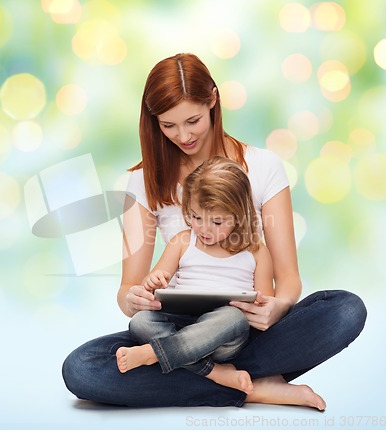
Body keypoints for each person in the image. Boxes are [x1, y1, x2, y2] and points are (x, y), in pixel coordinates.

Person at [62, 53, 367, 410]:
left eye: (192, 120)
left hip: (242, 327)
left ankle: (207, 374)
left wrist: (277, 306)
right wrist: (134, 298)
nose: (184, 135)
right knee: (81, 369)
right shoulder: (142, 181)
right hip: (172, 326)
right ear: (153, 122)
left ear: (213, 101)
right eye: (168, 125)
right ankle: (247, 384)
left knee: (345, 309)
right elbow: (128, 291)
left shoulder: (263, 166)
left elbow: (287, 278)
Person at [116, 156, 274, 396]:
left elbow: (266, 307)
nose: (204, 229)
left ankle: (152, 354)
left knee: (233, 318)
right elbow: (154, 283)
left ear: (239, 215)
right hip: (182, 326)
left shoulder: (257, 251)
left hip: (224, 338)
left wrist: (258, 305)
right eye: (196, 217)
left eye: (217, 221)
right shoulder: (182, 241)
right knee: (140, 322)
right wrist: (153, 282)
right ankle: (215, 373)